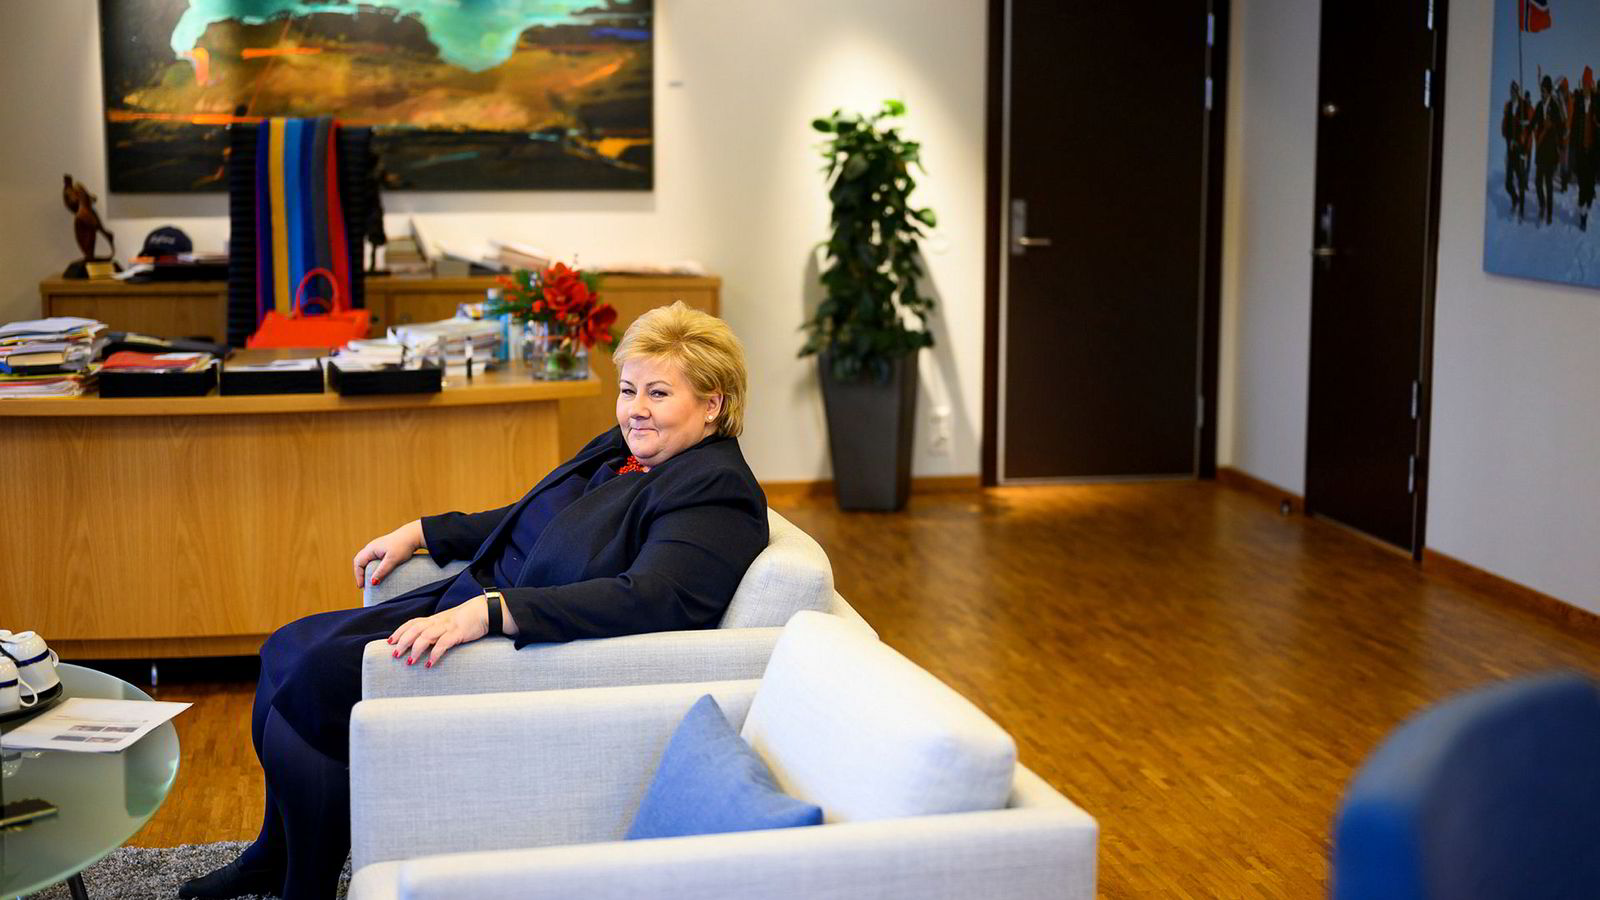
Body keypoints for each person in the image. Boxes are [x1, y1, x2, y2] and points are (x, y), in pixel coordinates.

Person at [179, 302, 768, 900]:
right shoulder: (631, 448)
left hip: (512, 639)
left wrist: (492, 612)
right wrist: (425, 531)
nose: (636, 408)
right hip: (466, 599)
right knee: (284, 647)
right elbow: (532, 514)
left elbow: (653, 599)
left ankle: (305, 886)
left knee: (316, 678)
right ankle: (271, 855)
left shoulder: (714, 487)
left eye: (658, 393)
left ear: (712, 404)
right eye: (627, 389)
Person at [1534, 75, 1564, 227]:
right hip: (1540, 152)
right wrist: (1526, 126)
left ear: (1549, 91)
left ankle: (1550, 213)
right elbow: (1533, 122)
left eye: (1544, 91)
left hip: (1551, 152)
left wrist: (1553, 125)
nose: (1542, 93)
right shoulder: (1539, 106)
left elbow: (1561, 126)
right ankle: (1542, 205)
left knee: (1549, 185)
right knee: (1537, 182)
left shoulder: (1555, 106)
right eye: (1541, 91)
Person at [1503, 80, 1528, 220]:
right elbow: (1506, 128)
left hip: (1520, 151)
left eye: (1514, 92)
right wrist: (1509, 140)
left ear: (1518, 92)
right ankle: (1515, 199)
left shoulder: (1523, 106)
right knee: (1508, 183)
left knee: (1521, 182)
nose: (1512, 94)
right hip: (1510, 150)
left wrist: (1523, 126)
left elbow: (1527, 128)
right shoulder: (1509, 106)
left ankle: (1522, 210)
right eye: (1511, 92)